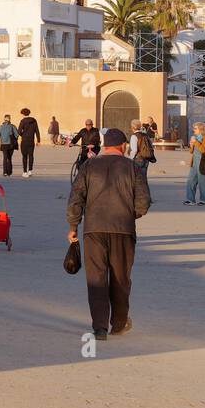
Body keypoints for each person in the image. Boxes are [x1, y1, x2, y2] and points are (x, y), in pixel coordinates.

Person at [66, 128, 152, 340]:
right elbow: (143, 202)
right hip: (123, 230)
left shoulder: (88, 166)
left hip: (93, 229)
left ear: (104, 146)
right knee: (121, 277)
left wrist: (73, 227)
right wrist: (129, 215)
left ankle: (100, 327)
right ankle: (119, 323)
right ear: (123, 146)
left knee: (96, 278)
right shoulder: (132, 167)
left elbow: (76, 198)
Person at [184, 123, 205, 206]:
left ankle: (203, 200)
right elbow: (191, 152)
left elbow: (203, 150)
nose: (194, 130)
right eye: (194, 128)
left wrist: (195, 142)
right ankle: (190, 199)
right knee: (190, 180)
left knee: (202, 182)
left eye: (195, 128)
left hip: (202, 163)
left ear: (201, 129)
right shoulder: (195, 138)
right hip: (194, 163)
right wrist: (191, 145)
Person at [17, 107, 40, 177]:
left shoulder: (23, 121)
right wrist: (38, 140)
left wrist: (22, 135)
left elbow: (18, 131)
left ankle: (24, 171)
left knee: (24, 156)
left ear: (23, 114)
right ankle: (30, 170)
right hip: (31, 141)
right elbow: (37, 131)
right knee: (31, 155)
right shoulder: (34, 120)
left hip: (24, 141)